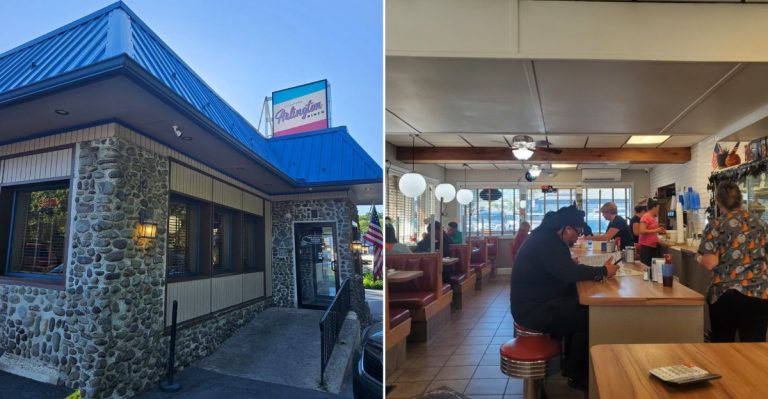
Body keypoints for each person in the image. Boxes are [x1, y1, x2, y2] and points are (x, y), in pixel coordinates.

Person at [510, 205, 619, 390]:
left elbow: (561, 268)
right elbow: (569, 273)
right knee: (589, 316)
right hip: (533, 310)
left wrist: (569, 265)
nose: (578, 236)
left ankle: (571, 365)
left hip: (535, 302)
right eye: (578, 232)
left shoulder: (545, 237)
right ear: (567, 228)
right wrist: (603, 271)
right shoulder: (548, 241)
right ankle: (577, 374)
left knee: (578, 306)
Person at [697, 181, 768, 342]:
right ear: (740, 199)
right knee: (754, 348)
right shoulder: (761, 224)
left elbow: (710, 262)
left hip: (725, 294)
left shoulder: (716, 225)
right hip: (758, 293)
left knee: (723, 347)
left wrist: (699, 257)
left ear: (718, 201)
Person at [638, 198, 665, 266]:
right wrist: (657, 230)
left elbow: (652, 230)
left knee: (652, 268)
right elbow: (642, 230)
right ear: (654, 207)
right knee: (646, 268)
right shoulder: (645, 217)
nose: (658, 210)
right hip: (646, 247)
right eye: (658, 208)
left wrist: (659, 231)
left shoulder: (652, 217)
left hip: (652, 246)